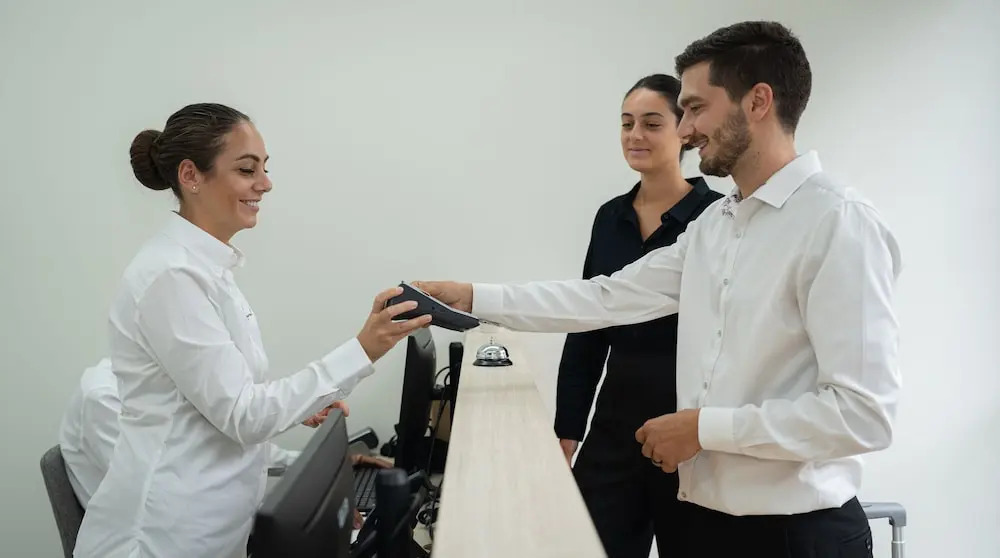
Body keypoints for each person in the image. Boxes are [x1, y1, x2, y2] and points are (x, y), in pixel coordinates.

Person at [415, 21, 901, 558]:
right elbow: (604, 298)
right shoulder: (716, 225)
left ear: (758, 101)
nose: (685, 129)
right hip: (707, 525)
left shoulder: (838, 223)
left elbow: (863, 415)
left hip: (797, 536)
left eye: (695, 108)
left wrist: (705, 430)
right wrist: (472, 296)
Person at [73, 103, 431, 558]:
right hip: (162, 539)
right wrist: (362, 351)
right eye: (247, 170)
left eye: (265, 167)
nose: (265, 183)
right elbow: (243, 415)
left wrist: (305, 408)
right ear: (191, 175)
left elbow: (226, 402)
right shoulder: (171, 277)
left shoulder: (207, 269)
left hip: (211, 529)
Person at [554, 74, 722, 558]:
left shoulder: (716, 218)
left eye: (651, 123)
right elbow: (587, 325)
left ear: (684, 131)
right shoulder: (610, 217)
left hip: (688, 428)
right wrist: (568, 428)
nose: (635, 135)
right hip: (615, 425)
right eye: (627, 123)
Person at [58, 357, 344, 508]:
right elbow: (164, 498)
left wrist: (307, 464)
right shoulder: (104, 399)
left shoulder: (163, 380)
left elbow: (222, 447)